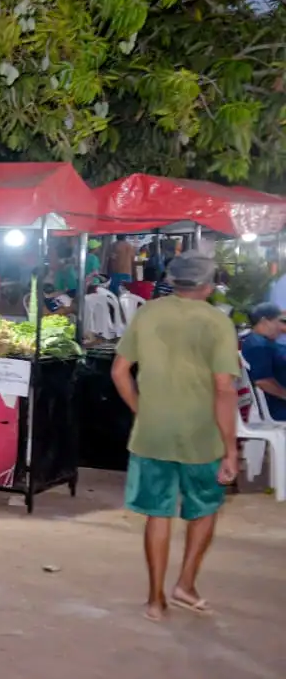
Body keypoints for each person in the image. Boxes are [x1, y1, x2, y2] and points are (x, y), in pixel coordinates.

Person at [109, 254, 240, 622]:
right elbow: (224, 389)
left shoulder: (148, 312)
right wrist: (231, 450)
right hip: (202, 435)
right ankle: (185, 584)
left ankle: (155, 600)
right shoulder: (217, 322)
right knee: (204, 509)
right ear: (209, 286)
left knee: (157, 514)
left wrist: (140, 409)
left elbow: (119, 371)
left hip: (152, 433)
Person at [240, 302, 286, 421]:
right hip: (279, 408)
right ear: (265, 322)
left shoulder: (261, 341)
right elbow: (263, 381)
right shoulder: (258, 346)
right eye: (278, 321)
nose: (281, 327)